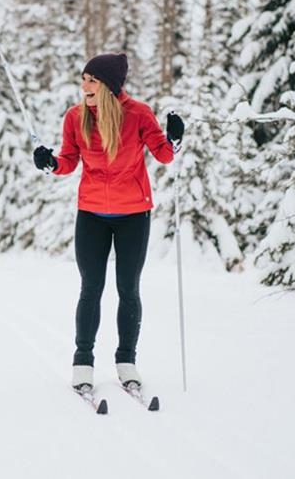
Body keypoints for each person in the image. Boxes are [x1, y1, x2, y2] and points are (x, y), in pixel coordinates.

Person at [32, 52, 184, 392]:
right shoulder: (75, 118)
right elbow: (68, 161)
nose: (84, 85)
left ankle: (126, 361)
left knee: (128, 289)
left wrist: (173, 138)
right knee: (91, 288)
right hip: (91, 215)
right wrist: (50, 163)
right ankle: (83, 363)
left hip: (133, 214)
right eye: (83, 79)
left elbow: (164, 155)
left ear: (110, 87)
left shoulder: (139, 115)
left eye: (92, 80)